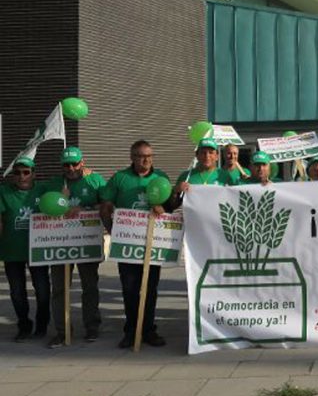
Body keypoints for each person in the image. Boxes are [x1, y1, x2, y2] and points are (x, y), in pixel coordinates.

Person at [99, 140, 170, 348]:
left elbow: (170, 204)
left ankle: (148, 330)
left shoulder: (161, 177)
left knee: (150, 289)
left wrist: (164, 208)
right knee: (130, 289)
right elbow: (106, 206)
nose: (145, 160)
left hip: (153, 242)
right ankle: (131, 331)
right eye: (140, 156)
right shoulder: (120, 178)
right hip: (127, 244)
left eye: (149, 156)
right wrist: (112, 230)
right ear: (132, 157)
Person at [45, 147, 107, 347]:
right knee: (59, 288)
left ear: (82, 162)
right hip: (61, 243)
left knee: (89, 286)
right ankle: (62, 331)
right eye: (66, 165)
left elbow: (107, 205)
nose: (71, 168)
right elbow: (43, 209)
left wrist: (84, 208)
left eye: (74, 164)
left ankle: (92, 326)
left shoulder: (95, 180)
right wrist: (61, 200)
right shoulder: (55, 184)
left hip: (86, 240)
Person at [0, 157, 50, 342]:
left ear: (34, 174)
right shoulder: (4, 192)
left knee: (43, 290)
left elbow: (65, 182)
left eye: (26, 172)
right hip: (12, 250)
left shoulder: (43, 189)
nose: (22, 176)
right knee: (17, 292)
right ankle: (24, 325)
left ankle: (42, 324)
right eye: (17, 172)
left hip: (37, 250)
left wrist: (88, 173)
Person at [172, 138, 241, 204]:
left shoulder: (225, 176)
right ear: (197, 155)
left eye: (211, 152)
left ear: (217, 156)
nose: (207, 156)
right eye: (203, 152)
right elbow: (172, 205)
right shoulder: (186, 176)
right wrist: (176, 191)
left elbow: (235, 201)